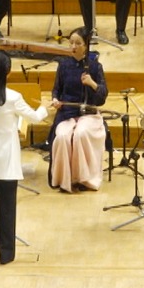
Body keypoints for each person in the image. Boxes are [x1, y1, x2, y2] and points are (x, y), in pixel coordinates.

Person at [0, 51, 51, 266]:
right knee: (7, 209)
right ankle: (6, 255)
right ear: (9, 71)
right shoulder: (13, 97)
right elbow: (35, 117)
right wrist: (46, 107)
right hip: (5, 158)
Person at [48, 28, 107, 192]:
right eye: (71, 42)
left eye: (78, 43)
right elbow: (56, 90)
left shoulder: (94, 66)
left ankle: (83, 178)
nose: (73, 46)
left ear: (86, 46)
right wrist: (55, 100)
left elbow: (102, 96)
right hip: (67, 113)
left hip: (88, 113)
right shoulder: (64, 65)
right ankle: (64, 180)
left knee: (80, 134)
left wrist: (92, 84)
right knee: (62, 137)